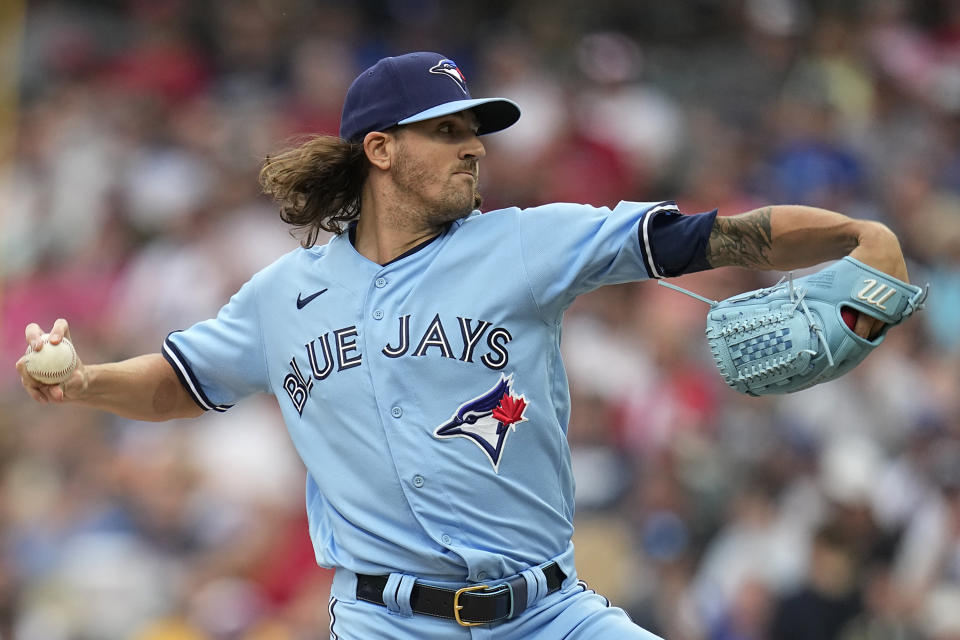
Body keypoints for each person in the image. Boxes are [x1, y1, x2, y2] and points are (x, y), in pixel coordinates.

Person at [16, 51, 911, 639]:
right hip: (385, 622)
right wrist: (84, 380)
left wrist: (853, 236)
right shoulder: (282, 295)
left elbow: (709, 235)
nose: (474, 147)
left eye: (475, 130)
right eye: (447, 130)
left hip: (551, 613)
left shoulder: (528, 240)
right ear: (379, 149)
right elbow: (182, 379)